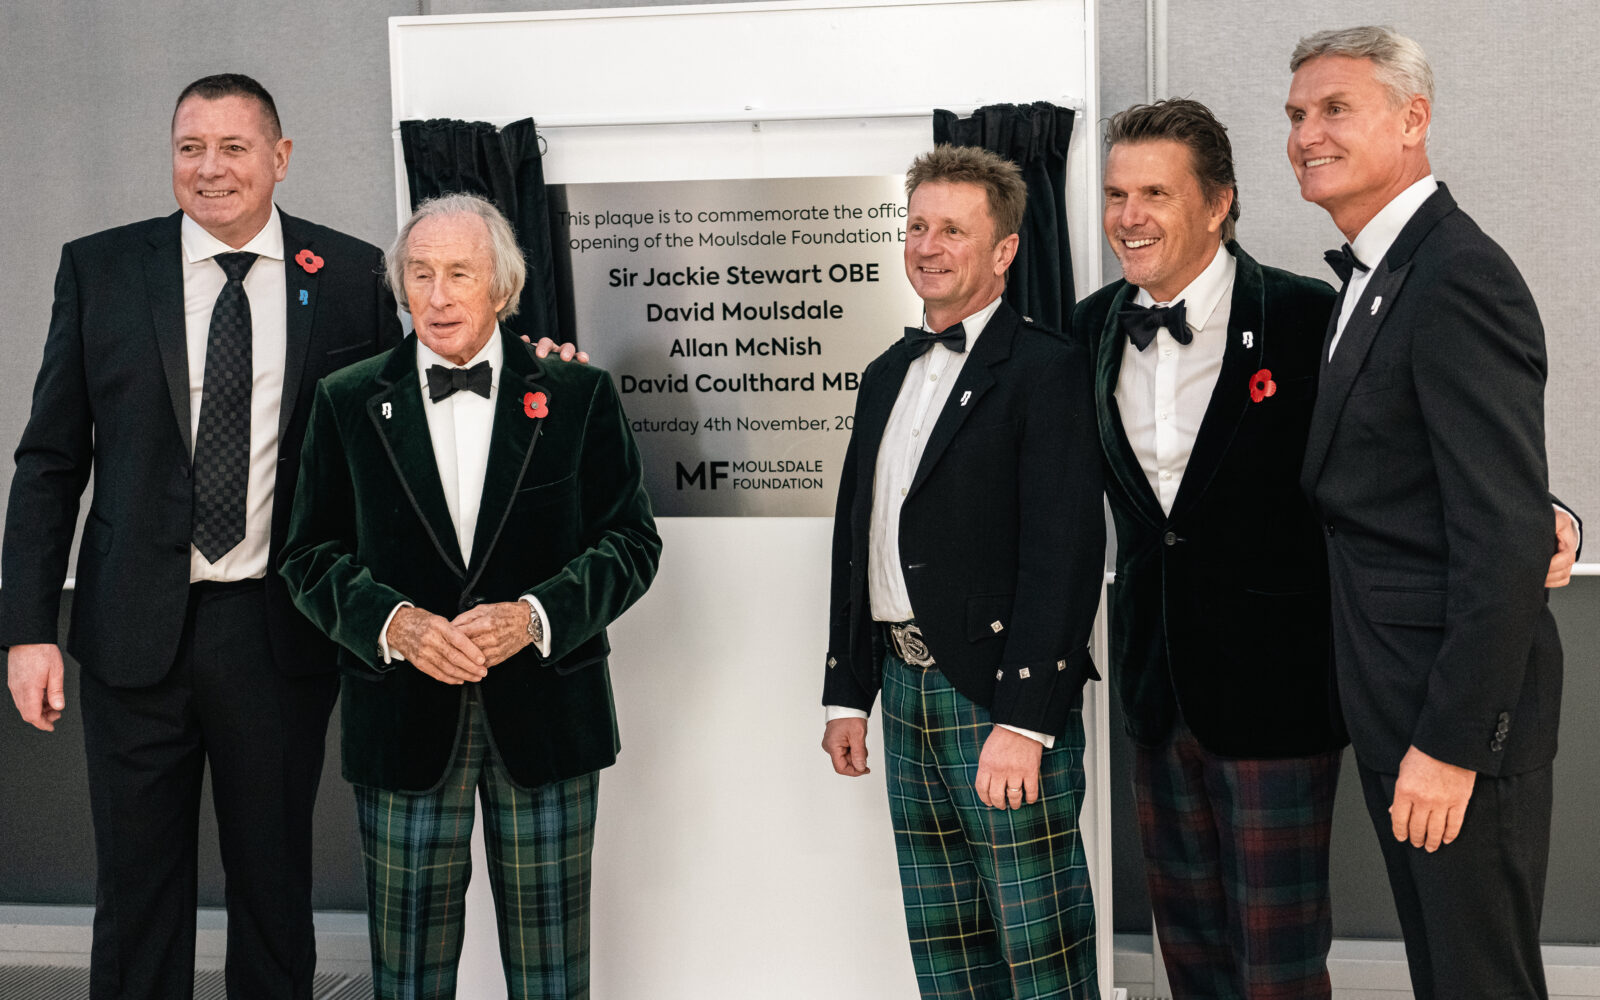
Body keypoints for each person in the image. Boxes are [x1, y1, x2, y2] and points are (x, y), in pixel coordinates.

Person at [1, 74, 402, 999]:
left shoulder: (350, 277)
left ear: (280, 158)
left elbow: (397, 441)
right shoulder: (101, 270)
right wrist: (27, 629)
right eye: (190, 148)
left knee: (274, 886)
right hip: (130, 631)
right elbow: (49, 460)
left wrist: (540, 366)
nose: (209, 168)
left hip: (279, 630)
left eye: (233, 147)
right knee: (136, 890)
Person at [278, 192, 660, 999]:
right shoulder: (346, 400)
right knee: (407, 976)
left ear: (503, 286)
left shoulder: (578, 394)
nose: (439, 294)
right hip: (400, 718)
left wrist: (534, 617)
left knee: (552, 975)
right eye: (421, 274)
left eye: (460, 273)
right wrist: (396, 625)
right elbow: (307, 556)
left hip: (548, 719)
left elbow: (631, 543)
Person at [1288, 26, 1566, 999]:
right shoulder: (1382, 273)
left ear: (1413, 120)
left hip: (1451, 720)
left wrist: (1451, 745)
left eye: (1335, 108)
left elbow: (1503, 534)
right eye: (1296, 114)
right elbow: (1436, 480)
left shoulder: (1455, 274)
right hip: (1392, 697)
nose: (1306, 134)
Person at [1074, 99, 1345, 1000]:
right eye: (1116, 194)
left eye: (1155, 193)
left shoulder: (1309, 317)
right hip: (1156, 689)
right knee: (1188, 955)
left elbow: (1395, 459)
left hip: (1277, 691)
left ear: (1219, 202)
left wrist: (1543, 511)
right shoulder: (1086, 329)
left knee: (1278, 966)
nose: (1128, 216)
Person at [820, 145, 1105, 1000]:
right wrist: (846, 692)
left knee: (1041, 958)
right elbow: (858, 537)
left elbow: (1065, 553)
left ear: (1005, 250)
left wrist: (1024, 720)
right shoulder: (884, 375)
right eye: (917, 226)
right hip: (903, 691)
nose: (928, 246)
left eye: (953, 229)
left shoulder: (1047, 368)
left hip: (995, 696)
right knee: (946, 951)